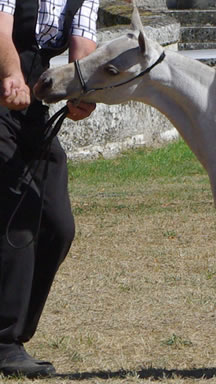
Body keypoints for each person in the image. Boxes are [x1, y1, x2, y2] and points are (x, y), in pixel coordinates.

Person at [0, 0, 99, 378]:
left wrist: (80, 92)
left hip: (32, 108)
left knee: (58, 226)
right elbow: (2, 30)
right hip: (3, 88)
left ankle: (18, 331)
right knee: (19, 215)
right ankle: (4, 342)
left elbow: (82, 46)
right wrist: (10, 75)